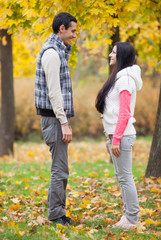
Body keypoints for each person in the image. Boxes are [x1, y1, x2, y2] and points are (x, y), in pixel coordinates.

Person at [35, 12, 77, 225]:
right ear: (61, 28)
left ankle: (58, 212)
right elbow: (54, 93)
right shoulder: (52, 54)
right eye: (72, 30)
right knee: (60, 169)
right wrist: (64, 122)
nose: (74, 35)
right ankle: (56, 215)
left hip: (55, 119)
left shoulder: (58, 52)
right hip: (54, 120)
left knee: (60, 168)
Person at [95, 42, 142, 229]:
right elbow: (113, 111)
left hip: (121, 135)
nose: (109, 55)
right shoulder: (120, 78)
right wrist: (110, 137)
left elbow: (124, 113)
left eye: (113, 52)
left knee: (125, 177)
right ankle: (128, 215)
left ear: (121, 56)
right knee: (122, 176)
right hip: (116, 135)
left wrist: (115, 139)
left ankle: (131, 218)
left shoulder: (125, 80)